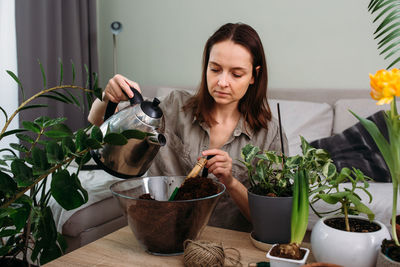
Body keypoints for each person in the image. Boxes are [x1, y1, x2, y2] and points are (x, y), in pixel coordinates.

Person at [88, 22, 288, 232]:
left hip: (226, 246)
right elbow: (98, 121)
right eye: (215, 69)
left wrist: (230, 181)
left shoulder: (269, 134)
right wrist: (106, 97)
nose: (222, 82)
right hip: (162, 235)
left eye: (236, 74)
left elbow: (271, 222)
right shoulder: (175, 106)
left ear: (254, 76)